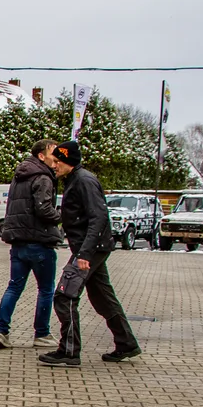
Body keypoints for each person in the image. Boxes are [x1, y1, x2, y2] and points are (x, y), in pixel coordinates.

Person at [39, 141, 140, 367]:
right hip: (92, 249)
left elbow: (99, 217)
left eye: (57, 162)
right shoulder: (77, 180)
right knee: (103, 297)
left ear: (69, 162)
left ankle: (69, 350)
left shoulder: (84, 181)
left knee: (64, 296)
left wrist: (84, 253)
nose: (53, 166)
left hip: (90, 250)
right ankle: (126, 343)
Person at [0, 139, 62, 350]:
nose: (57, 159)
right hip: (39, 242)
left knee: (14, 286)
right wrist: (62, 216)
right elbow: (44, 209)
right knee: (46, 289)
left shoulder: (20, 176)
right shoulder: (43, 178)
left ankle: (1, 331)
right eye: (53, 154)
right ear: (41, 156)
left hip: (19, 242)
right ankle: (41, 333)